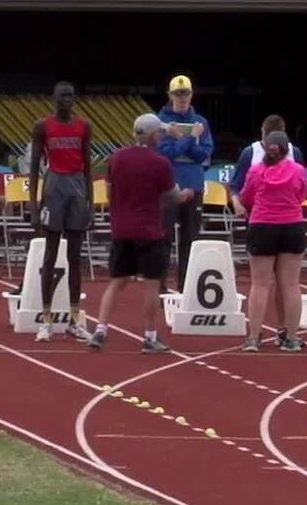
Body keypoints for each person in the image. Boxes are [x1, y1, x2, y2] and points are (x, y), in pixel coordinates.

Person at [88, 115, 193, 354]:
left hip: (122, 228)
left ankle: (100, 329)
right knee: (151, 285)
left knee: (116, 282)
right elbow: (174, 196)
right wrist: (187, 193)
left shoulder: (116, 158)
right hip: (149, 230)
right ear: (154, 135)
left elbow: (109, 189)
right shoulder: (160, 163)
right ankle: (149, 336)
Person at [29, 81, 93, 343]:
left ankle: (74, 320)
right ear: (54, 99)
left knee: (75, 258)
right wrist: (33, 206)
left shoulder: (84, 126)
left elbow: (88, 167)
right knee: (50, 256)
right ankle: (45, 320)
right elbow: (34, 167)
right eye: (62, 96)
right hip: (54, 185)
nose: (67, 100)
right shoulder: (42, 126)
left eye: (71, 96)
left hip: (77, 185)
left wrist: (91, 203)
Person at [238, 130, 307, 353]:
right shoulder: (297, 170)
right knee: (290, 284)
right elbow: (303, 195)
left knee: (260, 284)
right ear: (287, 150)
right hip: (292, 226)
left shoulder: (257, 170)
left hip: (262, 225)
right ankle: (292, 337)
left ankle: (253, 337)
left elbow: (246, 198)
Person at [157, 75, 214, 292]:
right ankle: (160, 286)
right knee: (163, 237)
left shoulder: (201, 122)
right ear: (170, 95)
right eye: (177, 94)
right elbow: (165, 153)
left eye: (185, 93)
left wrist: (181, 142)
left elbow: (204, 154)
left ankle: (187, 287)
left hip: (194, 185)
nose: (182, 98)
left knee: (191, 239)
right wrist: (190, 139)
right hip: (167, 186)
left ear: (191, 94)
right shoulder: (161, 121)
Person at [230, 114, 304, 212]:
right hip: (258, 213)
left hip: (288, 214)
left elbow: (304, 188)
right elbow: (235, 186)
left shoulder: (294, 153)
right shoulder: (250, 153)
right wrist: (237, 205)